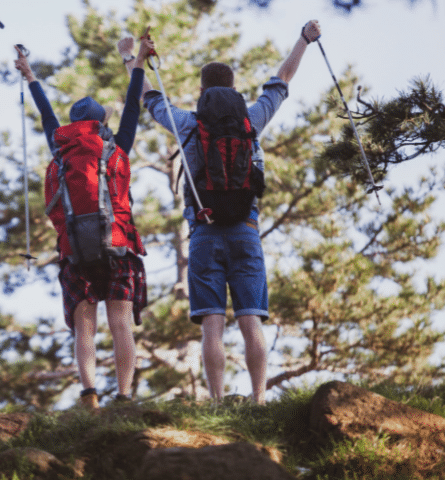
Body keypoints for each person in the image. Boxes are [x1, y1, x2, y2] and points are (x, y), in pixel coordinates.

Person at [119, 21, 321, 404]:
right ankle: (259, 400)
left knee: (212, 324)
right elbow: (283, 78)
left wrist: (132, 57)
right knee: (251, 320)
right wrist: (304, 40)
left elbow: (147, 96)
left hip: (204, 232)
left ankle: (215, 401)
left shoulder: (187, 125)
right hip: (246, 229)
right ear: (233, 88)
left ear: (201, 90)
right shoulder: (252, 121)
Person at [14, 37, 153, 409]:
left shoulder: (60, 147)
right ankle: (124, 396)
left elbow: (46, 115)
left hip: (75, 248)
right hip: (118, 243)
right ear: (101, 121)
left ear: (74, 123)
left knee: (84, 325)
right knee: (120, 321)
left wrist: (30, 76)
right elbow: (134, 109)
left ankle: (90, 393)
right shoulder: (116, 146)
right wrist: (137, 61)